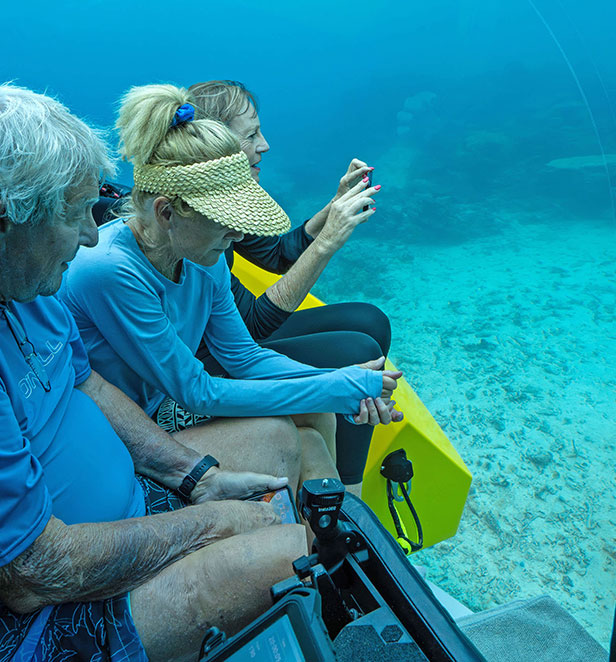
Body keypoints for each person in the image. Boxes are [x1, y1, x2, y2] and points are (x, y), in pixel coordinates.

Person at [0, 83, 311, 662]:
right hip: (50, 605)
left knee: (279, 438)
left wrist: (196, 477)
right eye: (74, 217)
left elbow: (86, 382)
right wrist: (210, 523)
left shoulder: (31, 291)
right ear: (7, 220)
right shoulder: (83, 273)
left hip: (125, 508)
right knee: (292, 551)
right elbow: (32, 571)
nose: (92, 235)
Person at [60, 83, 402, 490]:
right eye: (224, 217)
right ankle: (324, 535)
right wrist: (333, 386)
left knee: (319, 415)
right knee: (294, 431)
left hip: (159, 406)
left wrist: (339, 384)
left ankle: (339, 532)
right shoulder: (111, 271)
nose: (237, 233)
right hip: (121, 436)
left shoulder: (202, 253)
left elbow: (244, 357)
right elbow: (196, 392)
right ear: (167, 212)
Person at [189, 80, 394, 494]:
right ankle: (352, 499)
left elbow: (279, 253)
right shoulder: (196, 220)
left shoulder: (229, 192)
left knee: (370, 320)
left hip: (232, 337)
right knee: (359, 351)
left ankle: (338, 491)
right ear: (216, 142)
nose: (265, 145)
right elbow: (251, 329)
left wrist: (331, 208)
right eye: (251, 135)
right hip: (213, 355)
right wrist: (327, 242)